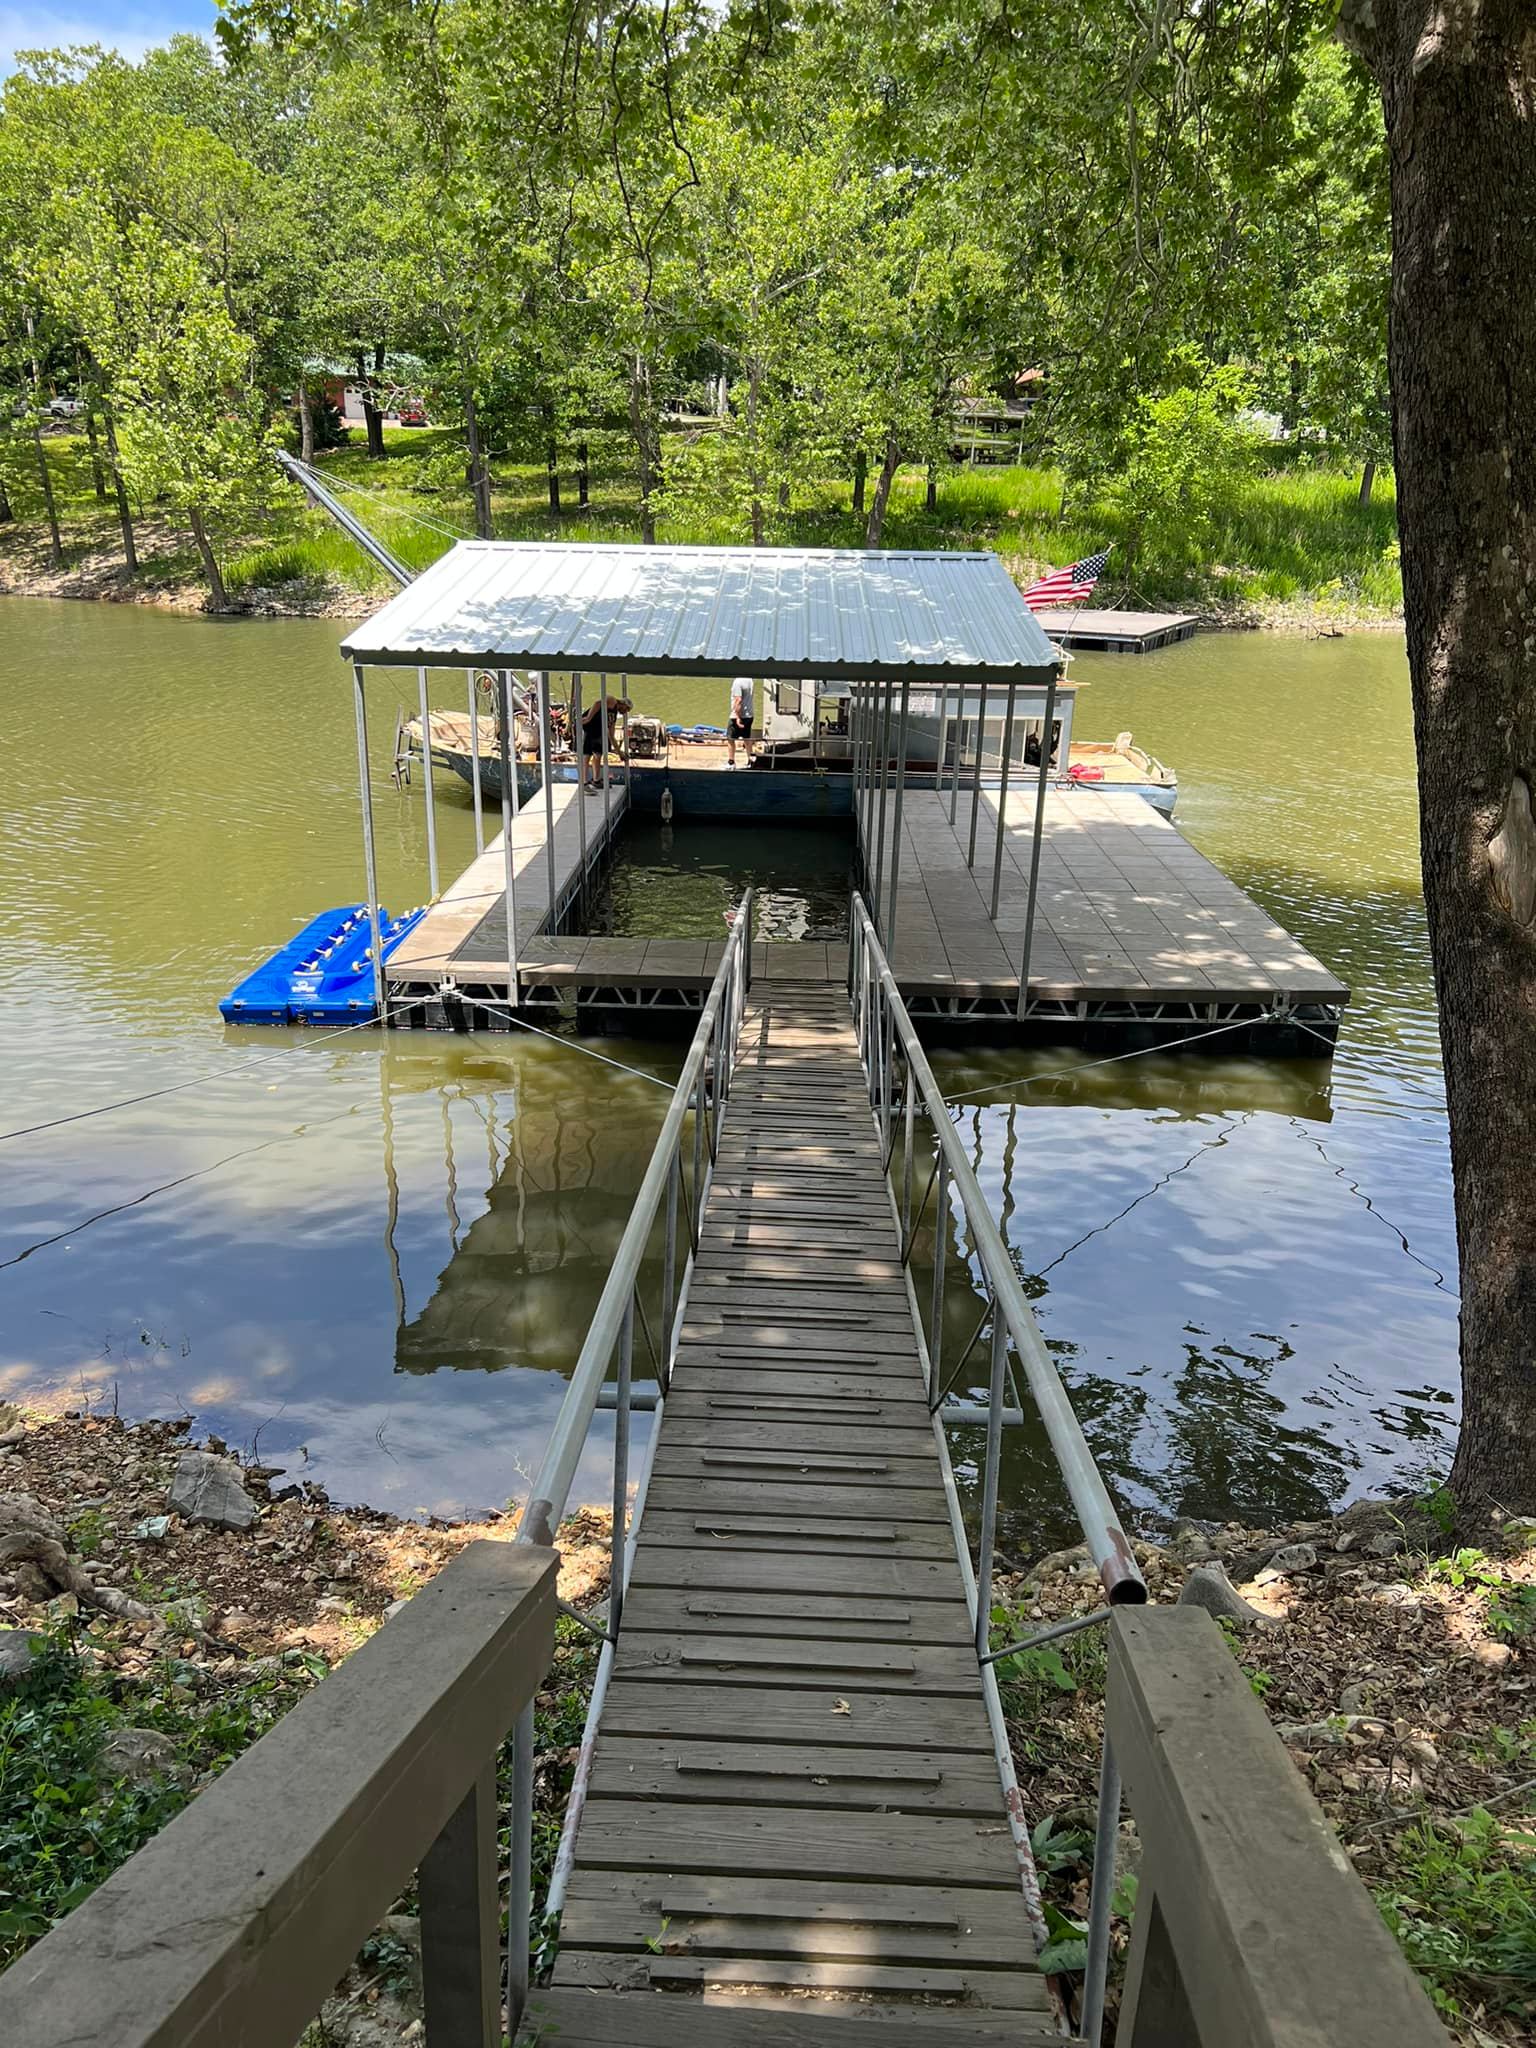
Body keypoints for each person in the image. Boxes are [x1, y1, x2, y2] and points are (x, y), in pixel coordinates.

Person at [580, 693, 631, 789]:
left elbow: (611, 736)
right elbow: (598, 703)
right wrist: (588, 718)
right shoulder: (612, 701)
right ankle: (584, 782)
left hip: (598, 730)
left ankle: (596, 780)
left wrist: (620, 753)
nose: (626, 712)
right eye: (627, 709)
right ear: (624, 704)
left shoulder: (614, 716)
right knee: (587, 755)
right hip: (589, 725)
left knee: (598, 754)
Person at [727, 675, 755, 767]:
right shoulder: (750, 679)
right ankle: (751, 761)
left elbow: (738, 700)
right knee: (747, 739)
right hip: (749, 715)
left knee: (730, 739)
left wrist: (738, 718)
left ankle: (731, 762)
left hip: (738, 716)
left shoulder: (737, 682)